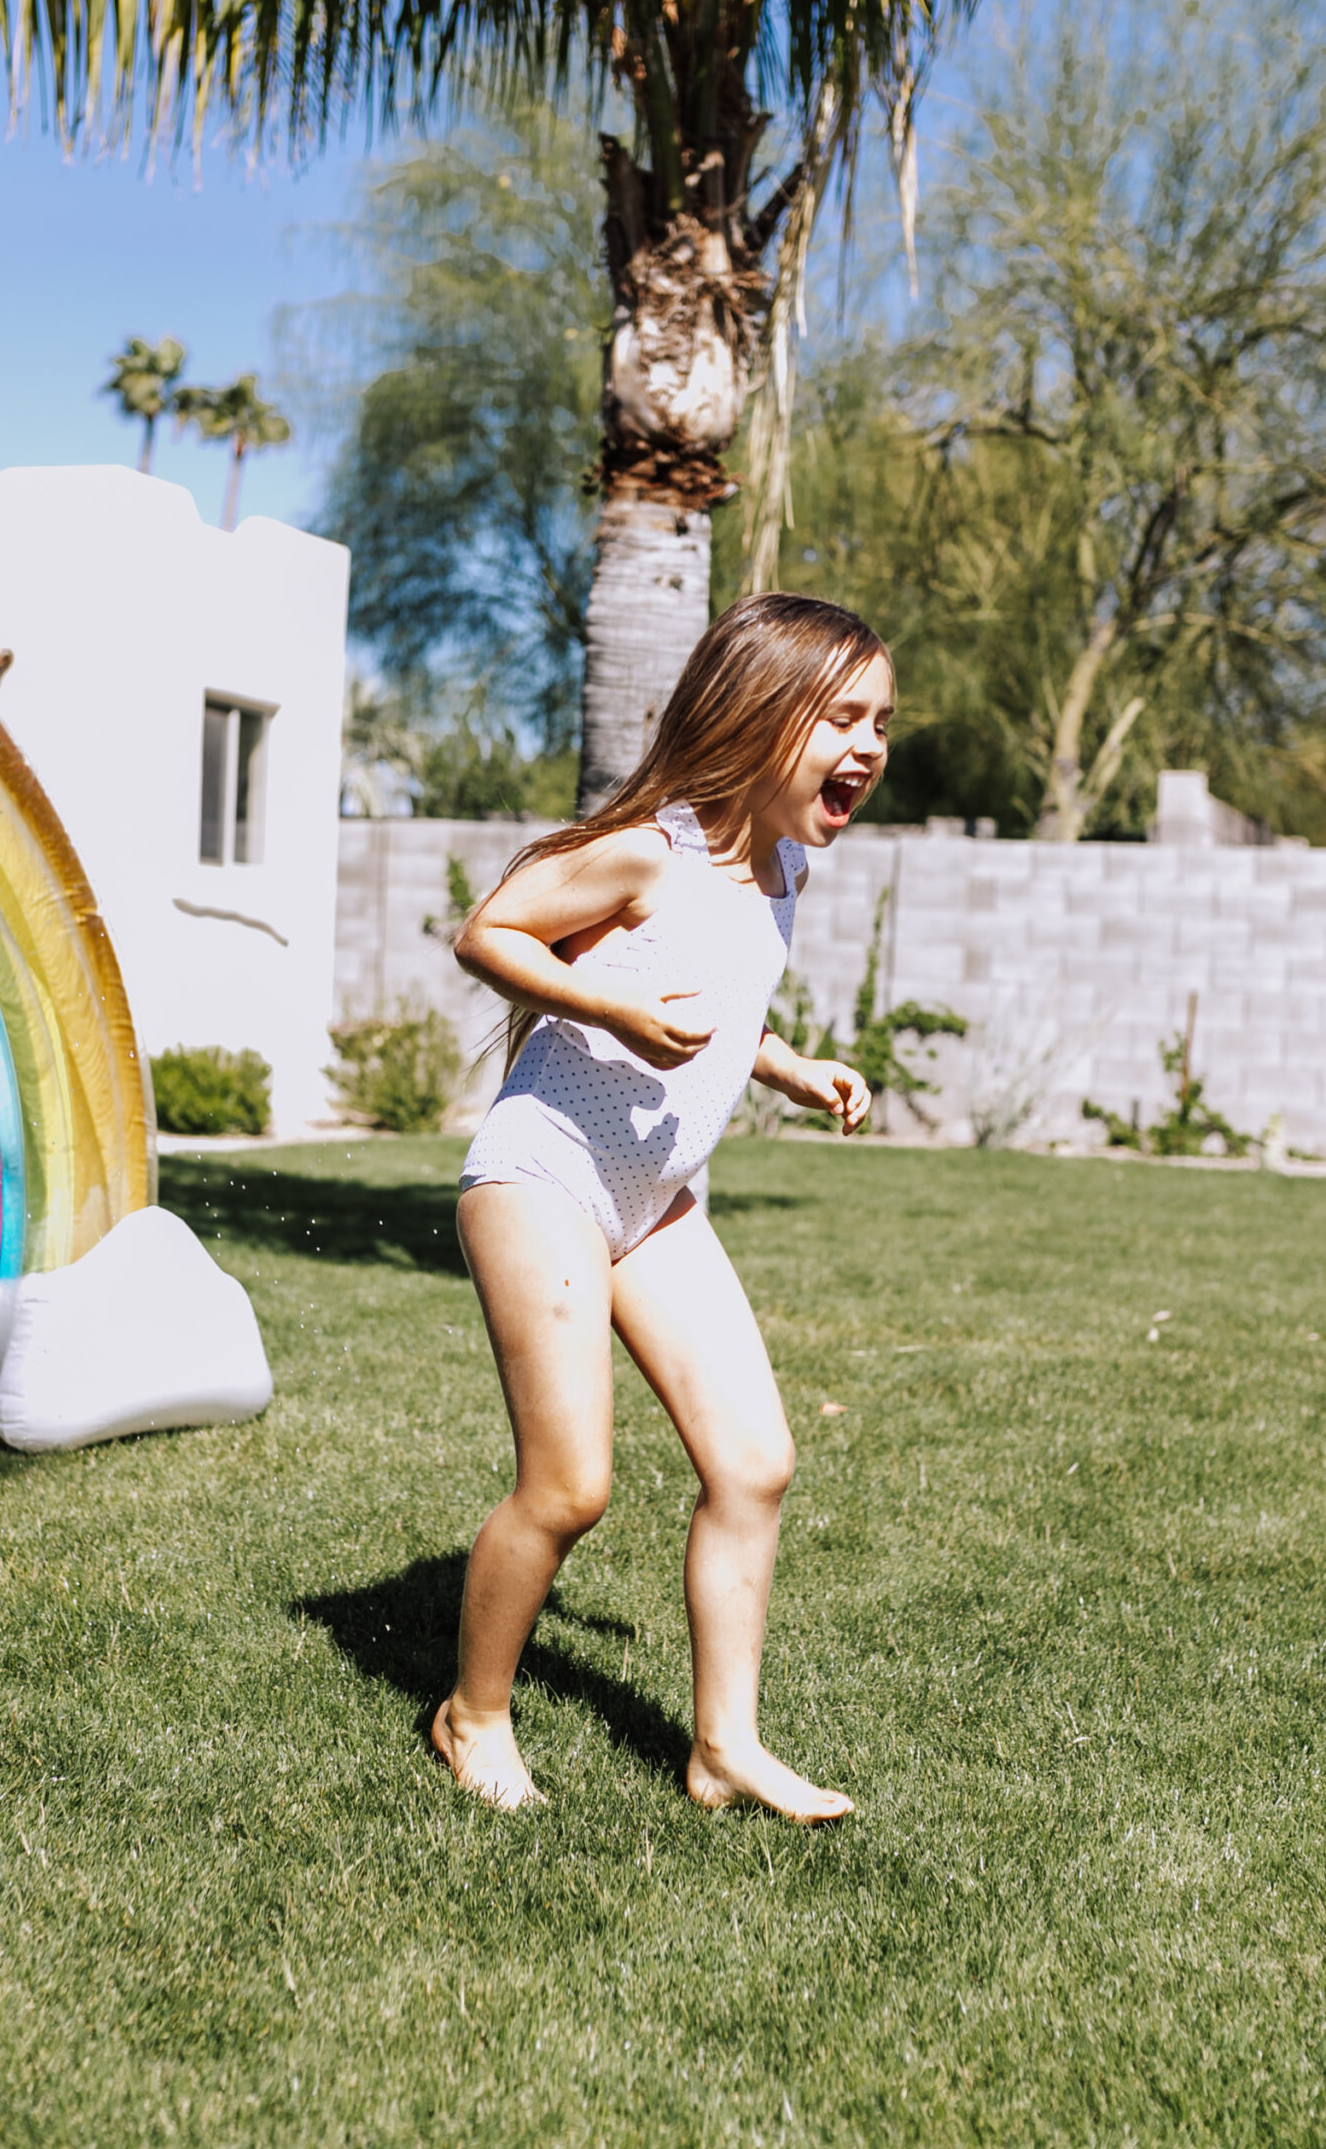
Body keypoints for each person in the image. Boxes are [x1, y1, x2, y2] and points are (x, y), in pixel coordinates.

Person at [439, 593, 893, 1820]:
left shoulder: (782, 863)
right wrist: (610, 1012)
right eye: (842, 716)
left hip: (657, 1196)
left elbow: (716, 998)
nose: (869, 745)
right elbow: (490, 932)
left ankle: (723, 1748)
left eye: (881, 722)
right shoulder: (651, 844)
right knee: (570, 1486)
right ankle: (471, 1710)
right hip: (545, 1180)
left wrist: (788, 1065)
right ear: (760, 713)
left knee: (754, 1462)